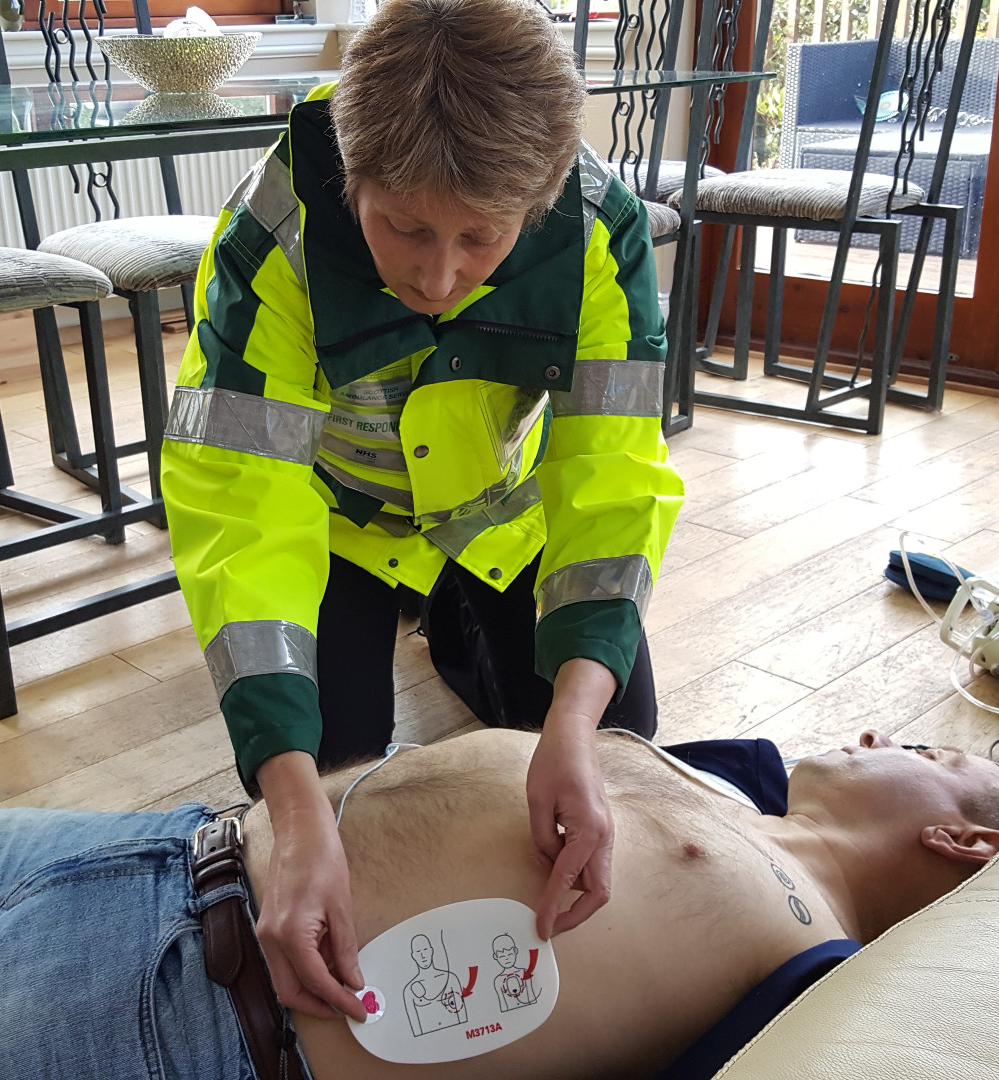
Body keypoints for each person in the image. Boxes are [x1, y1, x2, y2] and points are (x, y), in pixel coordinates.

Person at [0, 730, 999, 1080]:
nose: (902, 733)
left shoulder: (814, 969)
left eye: (941, 757)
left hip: (196, 1020)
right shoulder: (726, 778)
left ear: (963, 848)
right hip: (181, 847)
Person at [159, 0, 684, 1023]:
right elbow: (240, 504)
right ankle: (430, 639)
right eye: (402, 227)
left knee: (621, 742)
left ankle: (456, 627)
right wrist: (295, 803)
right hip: (338, 530)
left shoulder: (600, 229)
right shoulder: (276, 227)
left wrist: (574, 716)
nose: (437, 277)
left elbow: (611, 475)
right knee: (336, 781)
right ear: (352, 175)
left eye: (479, 240)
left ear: (536, 206)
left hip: (496, 521)